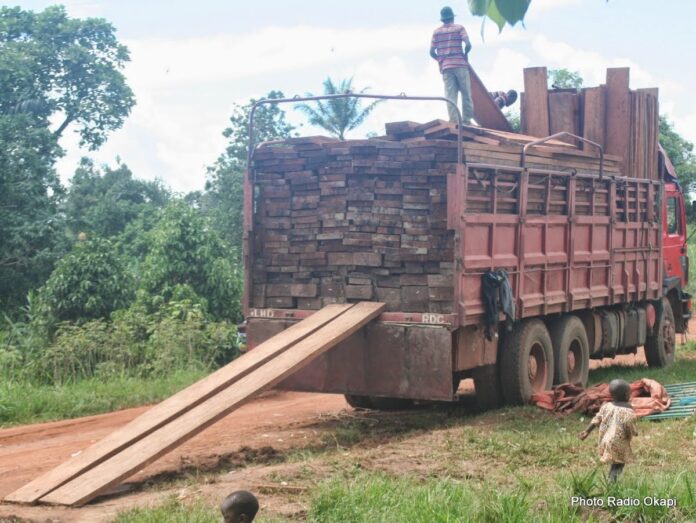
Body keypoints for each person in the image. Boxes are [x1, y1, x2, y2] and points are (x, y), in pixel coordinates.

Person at [579, 379, 638, 483]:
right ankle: (611, 483)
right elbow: (630, 425)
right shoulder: (629, 411)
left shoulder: (606, 406)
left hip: (605, 440)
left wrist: (587, 431)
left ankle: (610, 480)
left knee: (614, 461)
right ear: (626, 395)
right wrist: (634, 432)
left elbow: (597, 419)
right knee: (619, 463)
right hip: (619, 442)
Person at [430, 6, 474, 125]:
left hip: (446, 67)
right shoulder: (459, 28)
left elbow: (431, 52)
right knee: (466, 93)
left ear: (443, 19)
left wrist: (441, 60)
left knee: (450, 96)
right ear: (452, 18)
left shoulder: (436, 32)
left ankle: (454, 121)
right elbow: (468, 44)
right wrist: (465, 53)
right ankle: (466, 120)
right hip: (460, 64)